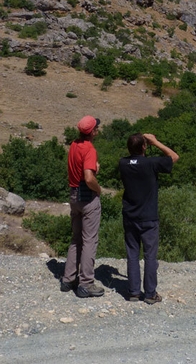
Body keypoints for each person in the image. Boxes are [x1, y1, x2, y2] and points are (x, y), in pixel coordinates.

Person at [119, 132, 179, 303]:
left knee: (132, 254)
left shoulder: (122, 163)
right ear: (145, 146)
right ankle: (150, 293)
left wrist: (145, 144)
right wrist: (156, 141)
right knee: (150, 256)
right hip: (149, 217)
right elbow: (174, 156)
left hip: (130, 215)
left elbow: (133, 158)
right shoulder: (151, 163)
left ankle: (133, 292)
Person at [61, 115, 105, 298]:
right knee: (89, 240)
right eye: (96, 128)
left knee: (76, 238)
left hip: (73, 195)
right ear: (93, 131)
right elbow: (88, 177)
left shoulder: (73, 145)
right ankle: (86, 283)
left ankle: (68, 279)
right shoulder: (89, 149)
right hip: (87, 198)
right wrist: (99, 189)